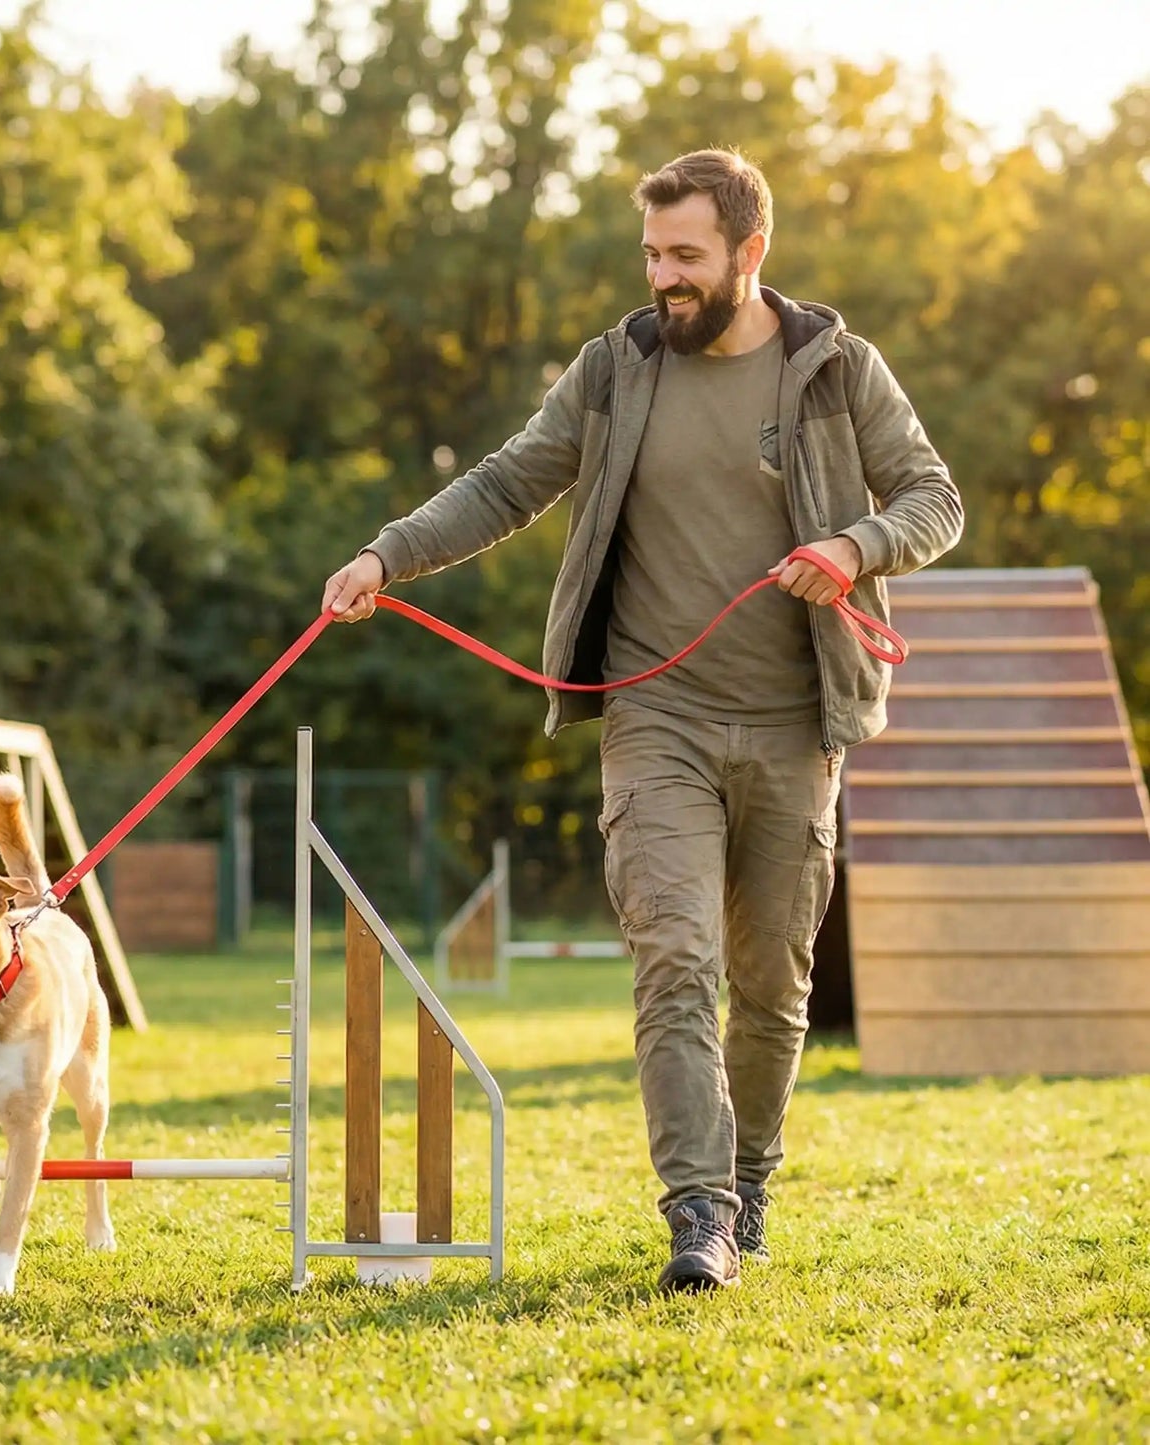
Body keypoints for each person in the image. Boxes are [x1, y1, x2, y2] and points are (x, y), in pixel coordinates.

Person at [321, 149, 963, 1292]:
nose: (662, 277)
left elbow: (932, 498)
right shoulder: (615, 370)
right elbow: (505, 481)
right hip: (655, 714)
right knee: (674, 959)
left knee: (770, 986)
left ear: (749, 252)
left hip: (794, 722)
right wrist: (386, 554)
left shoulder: (835, 368)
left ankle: (747, 1181)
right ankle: (697, 1211)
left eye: (685, 256)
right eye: (651, 254)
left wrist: (850, 545)